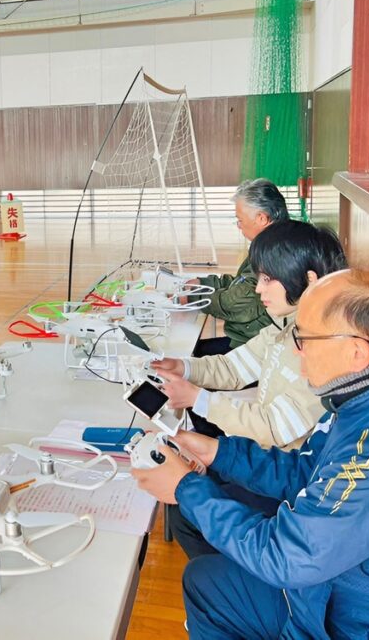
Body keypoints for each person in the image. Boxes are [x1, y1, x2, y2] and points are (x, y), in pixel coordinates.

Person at [133, 270, 369, 639]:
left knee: (211, 573)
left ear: (357, 352)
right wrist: (220, 453)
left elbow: (288, 558)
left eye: (304, 337)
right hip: (351, 586)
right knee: (206, 580)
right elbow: (309, 473)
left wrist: (186, 488)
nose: (297, 350)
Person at [152, 219, 346, 557]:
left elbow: (273, 427)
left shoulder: (320, 346)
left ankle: (236, 582)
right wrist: (184, 367)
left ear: (308, 280)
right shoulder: (286, 326)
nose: (259, 289)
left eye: (268, 279)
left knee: (188, 507)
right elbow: (233, 366)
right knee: (186, 487)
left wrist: (198, 399)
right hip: (266, 460)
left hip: (287, 480)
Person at [187, 178, 289, 357]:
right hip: (248, 340)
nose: (238, 226)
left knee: (185, 360)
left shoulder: (276, 252)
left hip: (255, 347)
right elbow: (241, 282)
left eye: (240, 220)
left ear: (261, 218)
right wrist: (203, 283)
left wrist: (194, 296)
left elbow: (238, 301)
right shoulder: (270, 243)